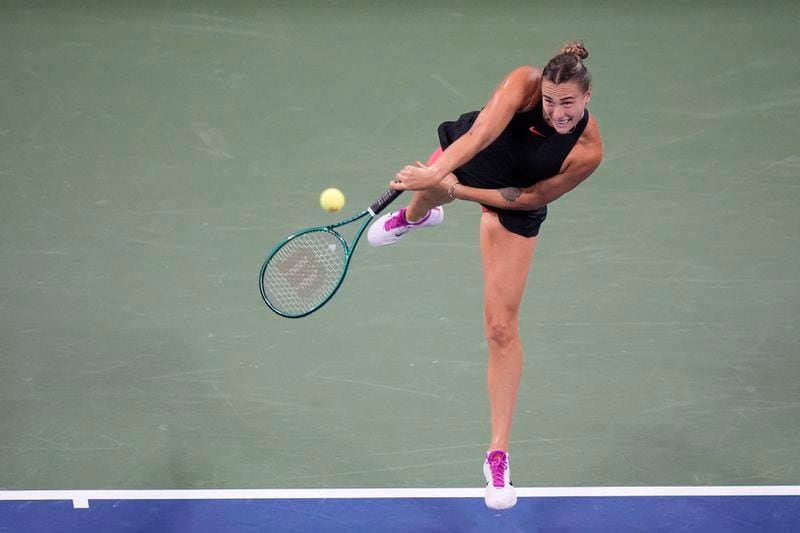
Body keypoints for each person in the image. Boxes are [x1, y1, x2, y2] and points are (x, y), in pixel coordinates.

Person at [367, 41, 604, 510]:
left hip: (514, 199)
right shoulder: (522, 84)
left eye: (568, 103)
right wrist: (435, 179)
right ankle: (418, 216)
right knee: (431, 189)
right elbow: (473, 141)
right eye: (550, 100)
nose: (557, 111)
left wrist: (449, 184)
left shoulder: (588, 151)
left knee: (500, 330)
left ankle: (497, 456)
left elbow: (532, 198)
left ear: (588, 98)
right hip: (483, 152)